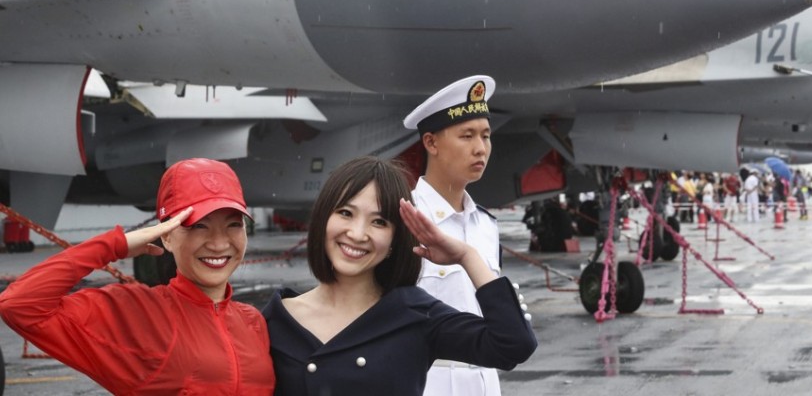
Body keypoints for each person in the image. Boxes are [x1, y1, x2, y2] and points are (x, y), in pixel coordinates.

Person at [262, 156, 537, 396]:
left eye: (379, 222)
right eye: (345, 213)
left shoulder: (412, 314)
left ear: (395, 238)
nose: (358, 234)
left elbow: (513, 345)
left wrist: (467, 256)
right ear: (323, 219)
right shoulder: (276, 320)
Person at [0, 158, 274, 395]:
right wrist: (114, 245)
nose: (218, 243)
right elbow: (19, 305)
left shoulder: (254, 323)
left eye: (233, 225)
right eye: (198, 226)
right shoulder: (136, 312)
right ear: (166, 235)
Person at [403, 75, 507, 395]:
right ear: (431, 143)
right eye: (467, 135)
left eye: (486, 136)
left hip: (486, 381)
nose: (480, 148)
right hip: (427, 381)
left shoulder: (486, 226)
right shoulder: (406, 220)